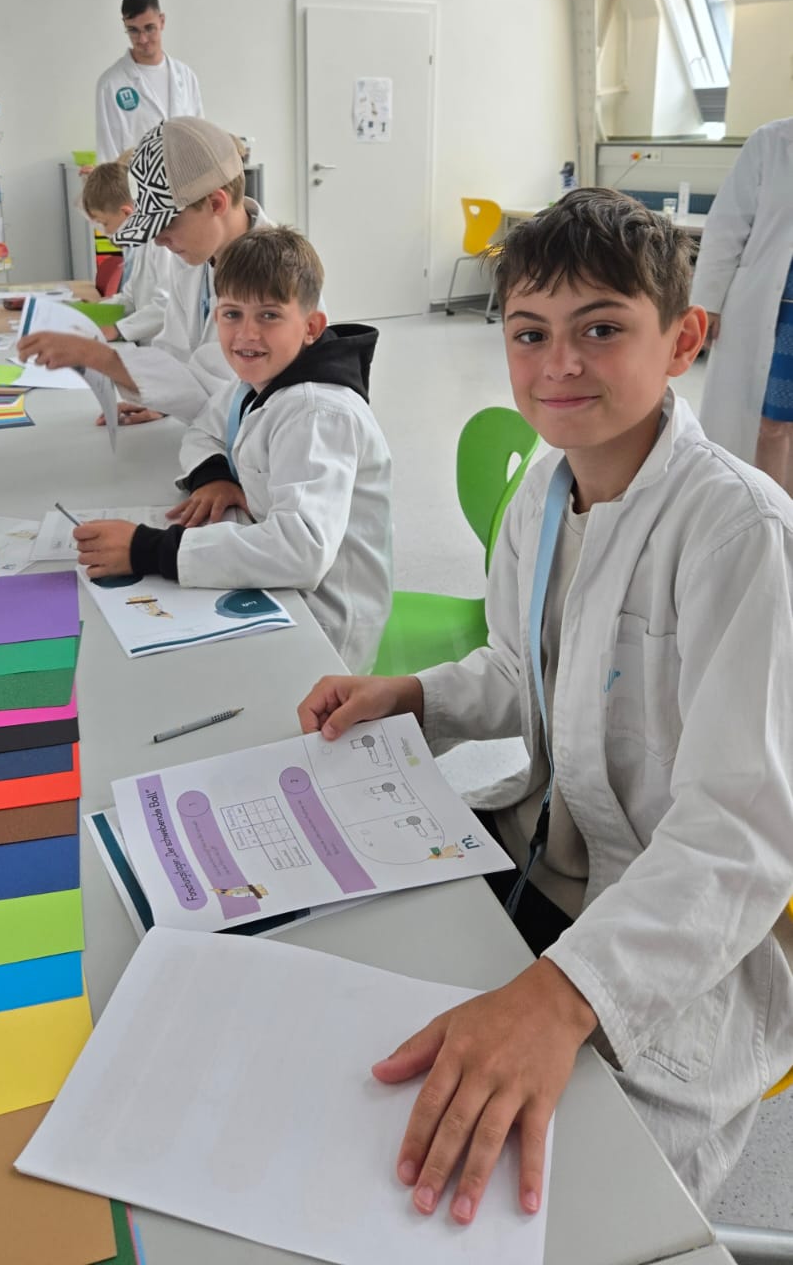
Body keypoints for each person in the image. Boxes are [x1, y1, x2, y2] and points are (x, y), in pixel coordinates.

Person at [298, 190, 793, 1223]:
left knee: (553, 1207)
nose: (559, 363)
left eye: (601, 329)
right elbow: (526, 670)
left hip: (675, 942)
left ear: (683, 341)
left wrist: (564, 995)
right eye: (530, 334)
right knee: (348, 1024)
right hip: (546, 863)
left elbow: (738, 835)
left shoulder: (738, 534)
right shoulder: (545, 494)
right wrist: (419, 694)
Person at [71, 227, 393, 672]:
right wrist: (214, 476)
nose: (246, 334)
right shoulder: (254, 382)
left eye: (269, 315)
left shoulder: (317, 412)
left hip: (325, 629)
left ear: (311, 327)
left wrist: (151, 550)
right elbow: (204, 430)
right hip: (273, 589)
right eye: (231, 314)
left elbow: (301, 551)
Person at [18, 117, 269, 428]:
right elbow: (175, 353)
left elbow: (223, 394)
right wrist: (161, 400)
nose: (158, 240)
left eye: (166, 224)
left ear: (215, 203)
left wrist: (100, 357)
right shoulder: (197, 259)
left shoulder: (271, 275)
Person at [691, 116, 793, 491]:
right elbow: (726, 226)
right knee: (772, 423)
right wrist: (708, 302)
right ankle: (771, 512)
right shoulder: (771, 141)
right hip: (775, 309)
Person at [95, 0, 203, 164]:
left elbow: (200, 141)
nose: (142, 39)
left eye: (149, 28)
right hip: (133, 182)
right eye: (133, 30)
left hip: (185, 179)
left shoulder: (186, 77)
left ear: (162, 21)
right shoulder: (110, 85)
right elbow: (108, 156)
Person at [80, 157, 174, 346]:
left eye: (105, 223)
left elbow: (167, 304)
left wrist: (118, 330)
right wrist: (94, 310)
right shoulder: (139, 244)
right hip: (145, 346)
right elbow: (130, 298)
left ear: (126, 213)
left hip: (164, 348)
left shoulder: (162, 245)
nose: (106, 232)